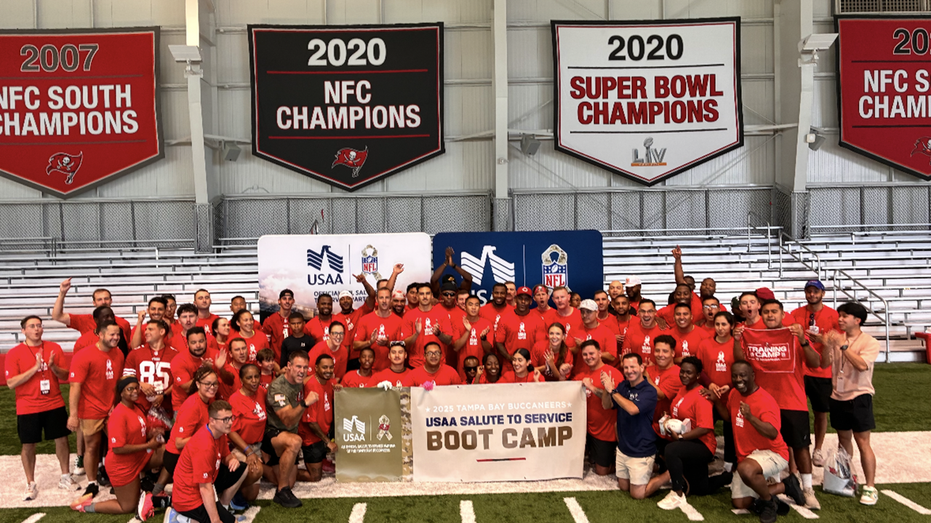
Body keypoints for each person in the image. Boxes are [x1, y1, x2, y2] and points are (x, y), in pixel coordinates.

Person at [734, 299, 822, 510]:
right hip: (762, 401)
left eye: (774, 311)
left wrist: (803, 341)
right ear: (760, 315)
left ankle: (808, 488)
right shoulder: (752, 334)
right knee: (765, 442)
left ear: (783, 314)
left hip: (792, 400)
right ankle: (775, 482)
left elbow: (816, 363)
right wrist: (737, 341)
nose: (770, 315)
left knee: (800, 446)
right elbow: (741, 363)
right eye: (766, 312)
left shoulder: (793, 335)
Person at [706, 361, 792, 523]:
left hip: (774, 453)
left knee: (745, 469)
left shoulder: (765, 400)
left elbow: (773, 433)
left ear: (752, 376)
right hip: (748, 457)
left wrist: (751, 417)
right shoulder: (734, 394)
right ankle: (785, 486)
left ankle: (768, 503)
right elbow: (729, 418)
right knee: (740, 503)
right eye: (735, 376)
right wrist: (716, 401)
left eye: (743, 375)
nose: (738, 379)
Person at [71, 377, 165, 520]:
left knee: (168, 451)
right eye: (130, 389)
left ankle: (157, 490)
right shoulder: (119, 414)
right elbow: (118, 449)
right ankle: (86, 506)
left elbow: (138, 433)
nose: (134, 391)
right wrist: (148, 445)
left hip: (138, 457)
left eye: (136, 388)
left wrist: (151, 433)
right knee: (127, 506)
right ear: (121, 393)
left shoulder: (135, 408)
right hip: (122, 465)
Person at [6, 315, 75, 500]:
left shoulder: (54, 348)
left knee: (61, 439)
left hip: (54, 402)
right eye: (32, 326)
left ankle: (65, 476)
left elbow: (66, 375)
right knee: (28, 444)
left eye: (39, 325)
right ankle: (30, 482)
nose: (37, 329)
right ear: (23, 331)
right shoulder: (14, 353)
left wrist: (52, 367)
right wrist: (35, 368)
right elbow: (11, 383)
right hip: (27, 406)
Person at [821, 301, 881, 506]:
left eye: (845, 316)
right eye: (840, 315)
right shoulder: (839, 339)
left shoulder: (869, 341)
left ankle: (871, 486)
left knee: (863, 442)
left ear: (858, 320)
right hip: (837, 395)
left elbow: (862, 365)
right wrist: (826, 345)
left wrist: (842, 345)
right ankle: (846, 479)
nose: (840, 319)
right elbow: (824, 364)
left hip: (859, 395)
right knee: (843, 442)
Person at [649, 357, 717, 511]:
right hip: (688, 440)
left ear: (698, 375)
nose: (684, 375)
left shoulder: (701, 396)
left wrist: (681, 438)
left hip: (702, 444)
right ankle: (727, 478)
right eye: (682, 372)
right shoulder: (682, 389)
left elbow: (705, 428)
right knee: (700, 488)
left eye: (689, 373)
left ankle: (677, 493)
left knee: (672, 450)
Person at [68, 320, 125, 500]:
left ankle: (118, 479)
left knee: (118, 446)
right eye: (112, 334)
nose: (116, 338)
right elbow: (75, 386)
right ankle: (92, 483)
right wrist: (73, 415)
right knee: (92, 447)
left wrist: (116, 405)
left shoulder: (119, 354)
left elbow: (117, 384)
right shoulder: (84, 355)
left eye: (118, 334)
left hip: (111, 409)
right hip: (90, 410)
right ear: (100, 335)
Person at [167, 400, 247, 523]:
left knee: (242, 467)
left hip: (204, 487)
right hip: (190, 498)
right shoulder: (204, 445)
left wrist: (232, 459)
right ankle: (181, 518)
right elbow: (204, 487)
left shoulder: (218, 433)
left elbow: (226, 455)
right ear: (212, 421)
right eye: (225, 419)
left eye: (231, 418)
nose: (230, 422)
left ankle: (220, 509)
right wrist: (215, 520)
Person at [789, 280, 840, 467]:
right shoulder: (796, 314)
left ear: (823, 293)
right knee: (797, 411)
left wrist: (824, 340)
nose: (812, 294)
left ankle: (818, 449)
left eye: (815, 291)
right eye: (808, 291)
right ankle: (797, 450)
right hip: (800, 370)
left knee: (820, 412)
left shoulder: (833, 315)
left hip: (823, 372)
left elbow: (841, 340)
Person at [601, 353, 658, 500]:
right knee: (624, 487)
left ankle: (668, 473)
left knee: (638, 494)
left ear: (642, 367)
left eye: (632, 367)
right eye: (625, 367)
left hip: (641, 449)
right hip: (624, 448)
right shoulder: (623, 386)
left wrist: (613, 391)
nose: (629, 370)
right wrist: (607, 391)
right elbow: (606, 405)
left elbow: (632, 409)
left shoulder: (649, 391)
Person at [264, 351, 316, 508]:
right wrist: (305, 403)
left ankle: (263, 468)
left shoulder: (298, 380)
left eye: (305, 367)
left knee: (291, 481)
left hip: (288, 433)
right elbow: (287, 420)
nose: (302, 371)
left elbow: (311, 378)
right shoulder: (277, 387)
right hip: (273, 433)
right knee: (295, 442)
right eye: (298, 366)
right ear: (288, 366)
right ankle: (281, 492)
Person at [162, 367, 219, 487]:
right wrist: (207, 435)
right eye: (208, 384)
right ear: (198, 384)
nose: (212, 387)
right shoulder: (192, 405)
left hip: (194, 452)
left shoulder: (209, 399)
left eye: (214, 384)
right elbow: (179, 442)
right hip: (178, 456)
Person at [576, 340, 624, 476]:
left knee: (601, 471)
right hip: (589, 429)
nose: (588, 357)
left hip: (606, 431)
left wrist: (592, 387)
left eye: (591, 353)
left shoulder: (611, 373)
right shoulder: (583, 374)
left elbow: (615, 400)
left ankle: (621, 462)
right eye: (585, 354)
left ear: (600, 353)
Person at [697, 311, 738, 471]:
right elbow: (699, 369)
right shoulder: (705, 344)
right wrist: (710, 384)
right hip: (710, 394)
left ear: (732, 326)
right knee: (705, 426)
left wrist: (730, 385)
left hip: (731, 395)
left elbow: (742, 370)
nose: (720, 328)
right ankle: (704, 457)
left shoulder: (736, 344)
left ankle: (729, 463)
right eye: (717, 324)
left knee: (730, 429)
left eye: (724, 324)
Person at [227, 363, 266, 503]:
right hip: (241, 447)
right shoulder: (235, 399)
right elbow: (231, 431)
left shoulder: (261, 391)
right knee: (256, 471)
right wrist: (248, 451)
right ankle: (228, 490)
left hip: (258, 445)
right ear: (241, 380)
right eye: (249, 378)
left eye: (256, 377)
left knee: (251, 497)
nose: (254, 380)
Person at [122, 319, 178, 413]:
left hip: (166, 409)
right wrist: (140, 384)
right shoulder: (135, 353)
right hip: (139, 407)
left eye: (150, 329)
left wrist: (164, 395)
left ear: (162, 331)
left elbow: (178, 381)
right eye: (146, 329)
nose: (146, 332)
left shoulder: (175, 354)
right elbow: (126, 378)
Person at [299, 354, 338, 482]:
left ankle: (322, 459)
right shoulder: (311, 386)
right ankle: (277, 471)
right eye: (324, 367)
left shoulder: (329, 383)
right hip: (311, 437)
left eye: (331, 367)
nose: (328, 370)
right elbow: (311, 422)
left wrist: (339, 390)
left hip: (323, 431)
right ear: (316, 368)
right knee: (315, 477)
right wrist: (328, 441)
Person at [53, 278, 131, 340]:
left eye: (106, 298)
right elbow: (57, 316)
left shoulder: (124, 323)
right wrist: (62, 293)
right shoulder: (84, 320)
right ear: (94, 303)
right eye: (99, 299)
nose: (103, 302)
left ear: (111, 300)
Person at [171, 327, 227, 411]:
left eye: (201, 341)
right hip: (184, 405)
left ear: (206, 341)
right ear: (188, 344)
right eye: (193, 342)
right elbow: (188, 389)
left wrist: (221, 369)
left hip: (211, 403)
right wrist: (206, 371)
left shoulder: (216, 355)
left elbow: (230, 382)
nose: (198, 345)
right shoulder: (178, 360)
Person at [495, 286, 546, 373]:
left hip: (530, 366)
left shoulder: (538, 320)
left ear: (530, 302)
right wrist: (509, 357)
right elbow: (499, 342)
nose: (523, 302)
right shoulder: (505, 318)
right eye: (520, 298)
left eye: (526, 299)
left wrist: (530, 362)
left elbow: (540, 345)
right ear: (515, 299)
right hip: (510, 366)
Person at [354, 288, 406, 371]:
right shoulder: (365, 319)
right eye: (381, 298)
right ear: (376, 299)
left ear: (391, 299)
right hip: (370, 371)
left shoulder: (399, 321)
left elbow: (402, 349)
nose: (384, 301)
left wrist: (388, 344)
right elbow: (355, 345)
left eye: (387, 298)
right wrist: (369, 342)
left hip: (391, 370)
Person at [403, 283, 454, 367]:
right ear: (417, 296)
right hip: (416, 364)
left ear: (432, 296)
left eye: (427, 293)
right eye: (422, 294)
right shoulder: (409, 316)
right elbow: (405, 345)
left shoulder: (442, 313)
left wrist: (439, 334)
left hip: (439, 363)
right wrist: (416, 334)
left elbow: (448, 341)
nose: (425, 296)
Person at [451, 295, 493, 381]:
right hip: (464, 369)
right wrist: (467, 331)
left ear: (479, 308)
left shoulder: (487, 324)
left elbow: (489, 350)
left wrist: (483, 339)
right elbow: (455, 347)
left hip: (481, 369)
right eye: (470, 304)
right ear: (465, 307)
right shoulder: (457, 323)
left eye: (476, 305)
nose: (473, 307)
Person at [574, 299, 617, 370]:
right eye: (582, 312)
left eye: (588, 312)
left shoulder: (607, 332)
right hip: (579, 374)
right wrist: (577, 348)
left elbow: (611, 356)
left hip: (600, 374)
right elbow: (567, 350)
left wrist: (591, 351)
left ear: (597, 313)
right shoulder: (575, 329)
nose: (584, 315)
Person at [622, 299, 666, 367]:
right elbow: (624, 360)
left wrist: (654, 367)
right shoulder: (631, 331)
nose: (646, 314)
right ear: (638, 312)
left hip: (658, 374)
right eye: (643, 311)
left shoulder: (664, 331)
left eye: (650, 311)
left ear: (655, 312)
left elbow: (669, 359)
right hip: (635, 373)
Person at [263, 289, 297, 361]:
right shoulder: (269, 321)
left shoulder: (297, 320)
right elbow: (266, 347)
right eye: (284, 299)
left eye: (290, 299)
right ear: (279, 301)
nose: (287, 301)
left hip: (294, 364)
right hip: (275, 364)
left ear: (293, 301)